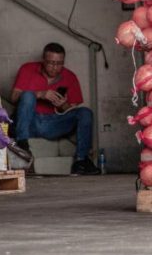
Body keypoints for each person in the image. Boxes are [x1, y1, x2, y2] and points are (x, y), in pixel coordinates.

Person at [11, 43, 99, 175]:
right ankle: (23, 146)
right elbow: (13, 97)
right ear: (43, 60)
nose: (55, 67)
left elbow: (71, 109)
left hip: (52, 124)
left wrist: (62, 105)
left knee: (85, 113)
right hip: (30, 121)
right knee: (28, 94)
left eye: (59, 63)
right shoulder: (27, 69)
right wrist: (41, 94)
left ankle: (81, 161)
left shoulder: (70, 76)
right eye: (51, 63)